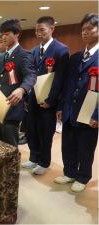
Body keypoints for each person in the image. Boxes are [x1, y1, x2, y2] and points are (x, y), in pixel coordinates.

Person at [54, 13, 98, 192]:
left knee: (85, 145)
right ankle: (69, 172)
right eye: (83, 29)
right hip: (70, 108)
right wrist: (60, 106)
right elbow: (67, 84)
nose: (85, 32)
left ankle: (83, 176)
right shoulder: (76, 58)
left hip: (90, 110)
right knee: (68, 142)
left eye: (90, 28)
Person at [23, 16, 69, 175]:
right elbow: (30, 75)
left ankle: (44, 161)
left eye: (42, 30)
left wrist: (51, 100)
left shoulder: (61, 50)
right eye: (36, 30)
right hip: (33, 97)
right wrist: (27, 97)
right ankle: (34, 156)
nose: (38, 33)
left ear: (52, 29)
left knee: (45, 131)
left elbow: (60, 79)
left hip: (49, 101)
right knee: (32, 129)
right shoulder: (35, 50)